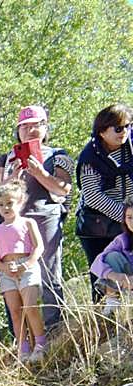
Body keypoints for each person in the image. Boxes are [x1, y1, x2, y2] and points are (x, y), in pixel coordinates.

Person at [0, 105, 72, 330]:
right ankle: (25, 336)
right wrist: (13, 176)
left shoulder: (58, 155)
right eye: (25, 126)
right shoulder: (5, 159)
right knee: (15, 278)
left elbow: (64, 188)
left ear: (46, 128)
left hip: (46, 218)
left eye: (37, 125)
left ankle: (54, 328)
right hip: (12, 226)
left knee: (48, 272)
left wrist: (41, 174)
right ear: (18, 130)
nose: (31, 130)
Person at [76, 104, 133, 300]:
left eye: (128, 126)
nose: (124, 132)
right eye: (118, 128)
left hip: (128, 222)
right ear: (102, 131)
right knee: (103, 278)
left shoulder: (131, 150)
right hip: (97, 227)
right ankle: (102, 324)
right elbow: (92, 196)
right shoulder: (90, 157)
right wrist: (126, 217)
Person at [0, 181, 47, 360]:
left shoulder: (28, 222)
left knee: (30, 307)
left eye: (9, 203)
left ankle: (40, 344)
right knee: (15, 311)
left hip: (27, 267)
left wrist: (26, 264)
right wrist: (4, 267)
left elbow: (38, 247)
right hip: (7, 271)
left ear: (20, 201)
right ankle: (23, 348)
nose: (5, 207)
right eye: (1, 204)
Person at [90, 202, 133, 315]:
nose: (132, 222)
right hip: (126, 283)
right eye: (129, 217)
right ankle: (112, 302)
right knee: (111, 256)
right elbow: (97, 263)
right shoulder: (122, 239)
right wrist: (115, 275)